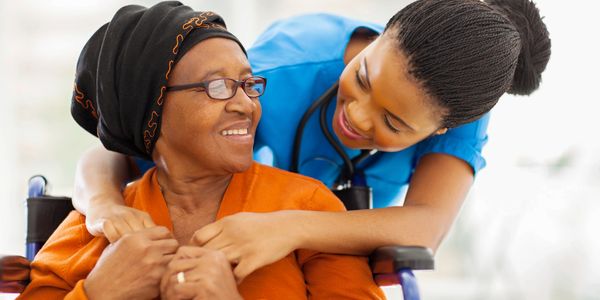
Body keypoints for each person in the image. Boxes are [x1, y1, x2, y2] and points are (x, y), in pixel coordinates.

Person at [73, 0, 551, 282]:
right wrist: (102, 205)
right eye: (362, 77)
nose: (357, 116)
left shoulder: (458, 111)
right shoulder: (283, 70)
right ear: (382, 36)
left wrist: (290, 227)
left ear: (441, 129)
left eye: (394, 123)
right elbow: (117, 146)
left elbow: (425, 226)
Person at [18, 2, 385, 299]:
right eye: (218, 86)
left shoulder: (307, 208)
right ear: (152, 109)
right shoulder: (94, 226)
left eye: (248, 83)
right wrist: (98, 293)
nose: (247, 104)